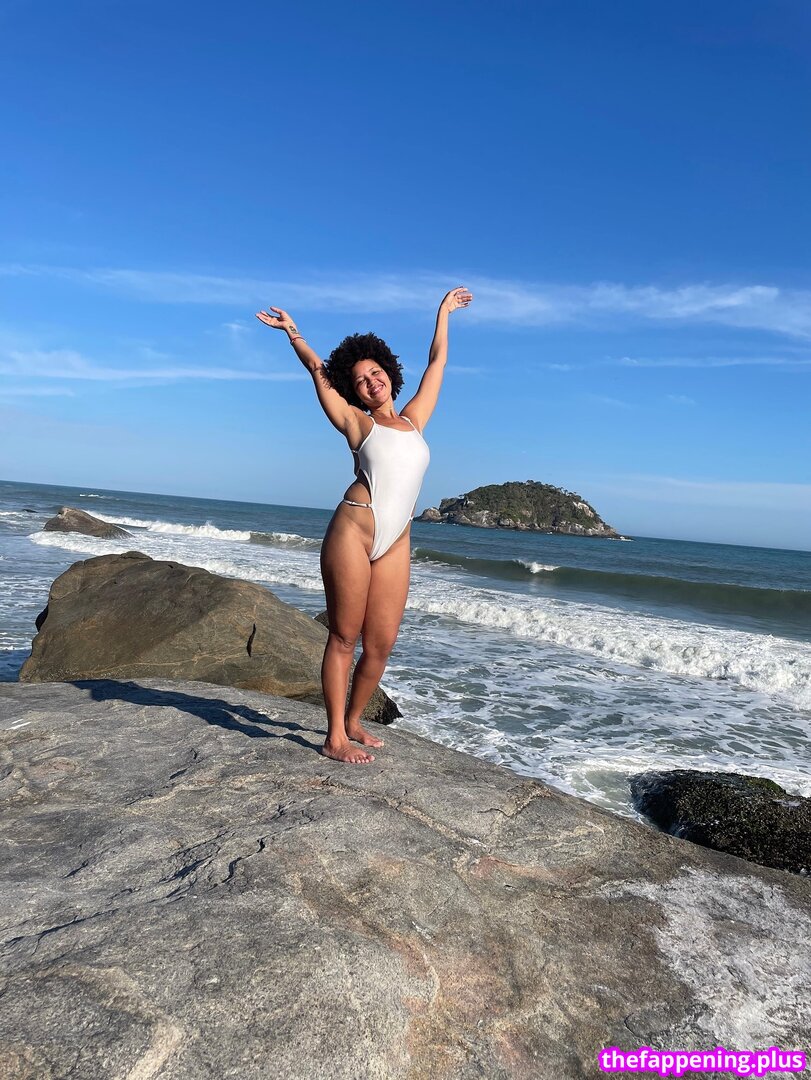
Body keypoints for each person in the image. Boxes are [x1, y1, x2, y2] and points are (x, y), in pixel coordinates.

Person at [256, 286, 473, 763]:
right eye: (359, 380)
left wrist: (444, 313)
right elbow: (318, 372)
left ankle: (355, 720)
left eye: (375, 373)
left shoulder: (414, 420)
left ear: (389, 374)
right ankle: (334, 736)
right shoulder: (357, 422)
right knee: (344, 637)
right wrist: (293, 333)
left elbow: (436, 362)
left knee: (380, 645)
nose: (371, 382)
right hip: (353, 533)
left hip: (395, 542)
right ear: (353, 391)